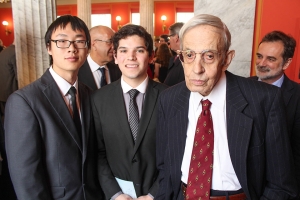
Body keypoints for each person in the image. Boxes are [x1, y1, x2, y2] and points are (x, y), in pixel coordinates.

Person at [155, 14, 298, 200]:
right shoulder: (169, 99)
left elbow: (281, 184)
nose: (196, 68)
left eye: (209, 56)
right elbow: (165, 168)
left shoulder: (264, 100)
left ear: (227, 59)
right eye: (189, 55)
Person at [4, 15, 103, 200]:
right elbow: (26, 178)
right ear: (49, 47)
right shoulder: (24, 102)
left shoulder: (91, 95)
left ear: (87, 48)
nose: (72, 48)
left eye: (79, 41)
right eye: (62, 41)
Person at [91, 24, 167, 200]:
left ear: (151, 56)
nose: (131, 57)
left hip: (159, 193)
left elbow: (175, 152)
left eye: (139, 50)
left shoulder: (168, 97)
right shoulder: (98, 100)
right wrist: (115, 194)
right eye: (124, 51)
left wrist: (153, 194)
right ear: (115, 57)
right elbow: (98, 153)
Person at [251, 30, 300, 196]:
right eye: (259, 56)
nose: (262, 63)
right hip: (243, 185)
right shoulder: (240, 87)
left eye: (270, 59)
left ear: (286, 63)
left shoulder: (298, 96)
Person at [78, 25, 121, 90]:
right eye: (109, 42)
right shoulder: (77, 72)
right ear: (94, 44)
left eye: (115, 42)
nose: (114, 47)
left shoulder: (119, 68)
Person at [163, 22, 185, 86]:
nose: (169, 41)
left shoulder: (185, 60)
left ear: (176, 37)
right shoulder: (174, 58)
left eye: (169, 37)